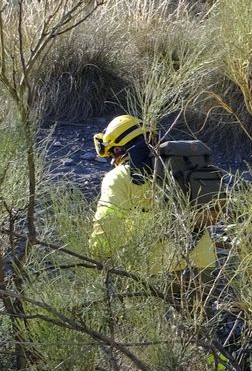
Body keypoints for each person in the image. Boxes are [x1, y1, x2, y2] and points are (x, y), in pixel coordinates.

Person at [90, 114, 216, 271]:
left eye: (112, 155)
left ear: (118, 149)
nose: (113, 162)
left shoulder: (118, 177)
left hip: (158, 268)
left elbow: (108, 222)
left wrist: (98, 257)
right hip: (204, 263)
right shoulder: (183, 167)